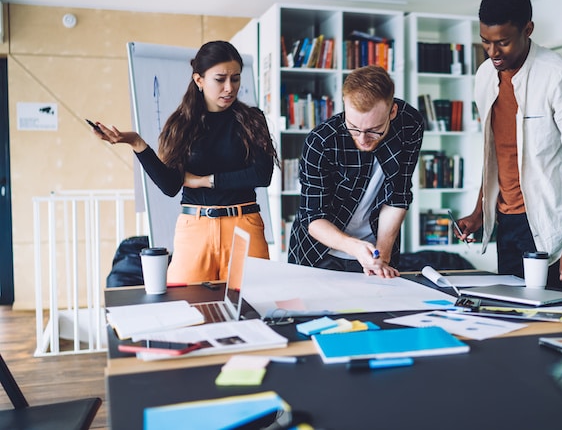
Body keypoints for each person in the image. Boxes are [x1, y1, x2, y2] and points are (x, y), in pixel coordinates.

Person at [92, 40, 278, 283]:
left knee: (250, 305)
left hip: (245, 226)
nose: (229, 88)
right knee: (186, 305)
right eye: (220, 79)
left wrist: (206, 181)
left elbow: (261, 175)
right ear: (199, 80)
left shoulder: (253, 120)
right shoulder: (182, 124)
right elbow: (170, 185)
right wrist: (137, 143)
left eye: (236, 78)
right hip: (195, 227)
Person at [456, 0, 562, 293]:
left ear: (528, 29)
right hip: (506, 224)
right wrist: (480, 210)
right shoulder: (484, 75)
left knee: (551, 322)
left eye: (503, 42)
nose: (493, 52)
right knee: (510, 319)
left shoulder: (559, 74)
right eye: (485, 42)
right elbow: (494, 151)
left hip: (548, 226)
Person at [288, 65, 424, 278]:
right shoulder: (321, 141)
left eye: (373, 130)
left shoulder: (410, 125)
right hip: (319, 253)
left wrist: (381, 257)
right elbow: (313, 218)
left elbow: (398, 195)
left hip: (377, 249)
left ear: (393, 111)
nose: (362, 139)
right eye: (353, 127)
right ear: (344, 104)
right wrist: (354, 247)